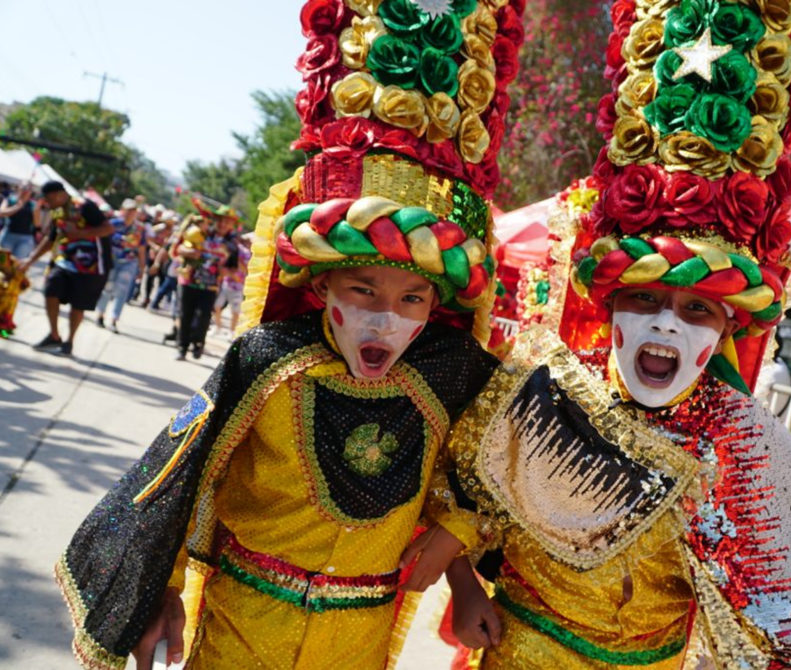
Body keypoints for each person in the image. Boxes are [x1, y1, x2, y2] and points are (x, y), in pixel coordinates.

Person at [424, 2, 791, 667]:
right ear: (610, 306)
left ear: (728, 326)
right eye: (647, 300)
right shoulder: (541, 380)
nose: (667, 322)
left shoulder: (738, 441)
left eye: (697, 310)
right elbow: (457, 493)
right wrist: (464, 584)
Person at [54, 1, 525, 668]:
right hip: (246, 622)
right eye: (363, 289)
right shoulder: (266, 358)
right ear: (321, 286)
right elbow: (179, 471)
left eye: (411, 297)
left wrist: (455, 559)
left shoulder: (449, 372)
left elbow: (489, 465)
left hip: (357, 640)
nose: (386, 316)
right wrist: (158, 589)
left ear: (435, 302)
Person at [18, 181, 112, 357]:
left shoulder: (85, 206)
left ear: (59, 194)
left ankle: (69, 342)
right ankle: (54, 335)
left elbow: (108, 228)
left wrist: (80, 234)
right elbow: (52, 238)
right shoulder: (58, 212)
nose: (47, 203)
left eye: (48, 198)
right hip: (65, 262)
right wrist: (30, 259)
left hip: (91, 266)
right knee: (50, 290)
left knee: (78, 305)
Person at [173, 215, 226, 360]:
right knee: (185, 315)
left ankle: (198, 344)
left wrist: (224, 269)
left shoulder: (226, 241)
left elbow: (230, 263)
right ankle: (182, 348)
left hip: (210, 285)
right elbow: (177, 249)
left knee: (204, 317)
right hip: (188, 281)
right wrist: (190, 252)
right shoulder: (192, 233)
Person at [95, 198, 147, 333]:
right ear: (123, 210)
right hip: (111, 260)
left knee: (122, 290)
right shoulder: (113, 224)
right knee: (107, 287)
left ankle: (114, 319)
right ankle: (100, 314)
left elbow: (141, 248)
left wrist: (142, 268)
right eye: (129, 210)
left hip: (129, 261)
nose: (131, 213)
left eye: (133, 211)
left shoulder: (139, 228)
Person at [0, 183, 39, 259]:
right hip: (8, 235)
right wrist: (18, 206)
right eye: (24, 187)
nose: (26, 190)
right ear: (19, 188)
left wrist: (36, 211)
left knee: (17, 263)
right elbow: (2, 213)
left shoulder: (33, 205)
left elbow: (37, 224)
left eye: (29, 188)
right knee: (3, 262)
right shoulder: (10, 200)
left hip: (25, 238)